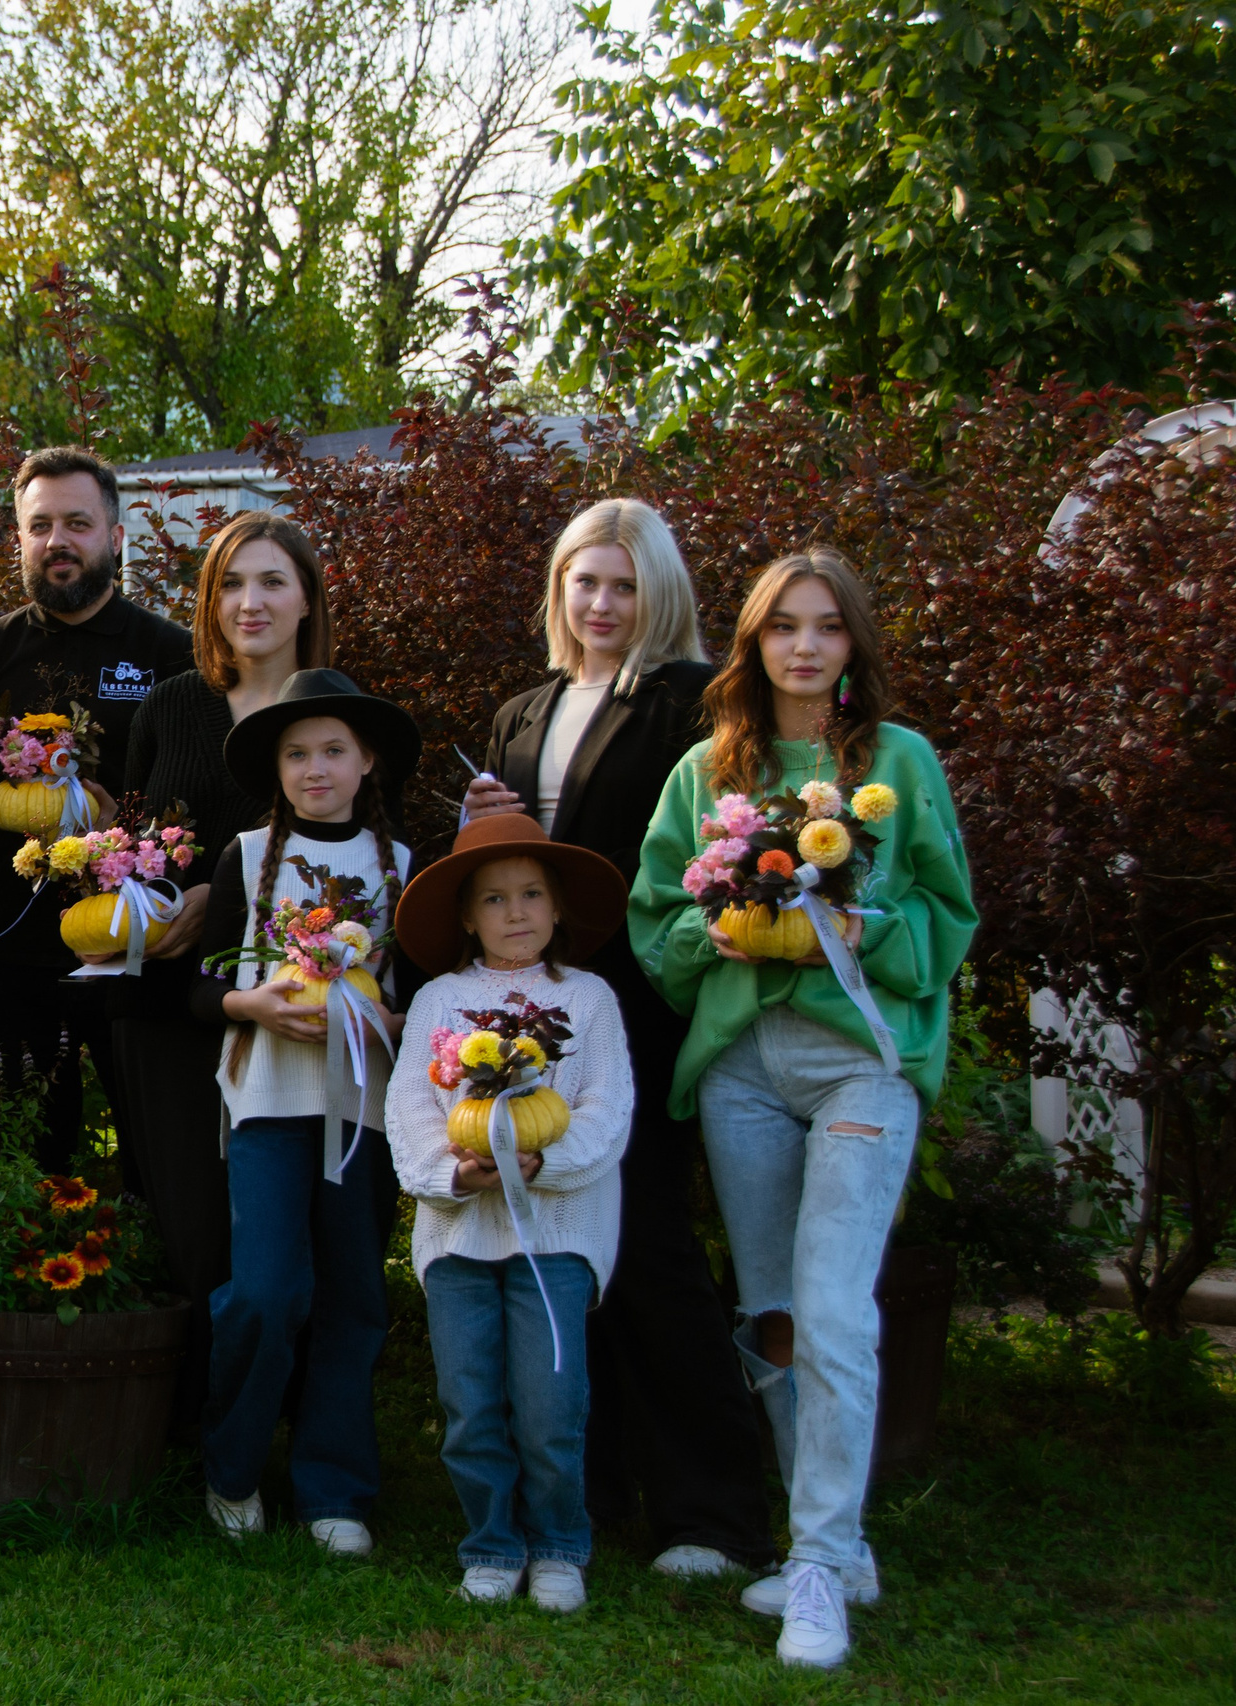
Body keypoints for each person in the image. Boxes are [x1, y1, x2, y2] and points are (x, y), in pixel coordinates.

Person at [630, 547, 977, 1669]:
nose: (805, 646)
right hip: (740, 1068)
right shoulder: (703, 772)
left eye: (827, 626)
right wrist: (712, 932)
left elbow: (947, 914)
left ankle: (820, 1563)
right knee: (772, 1312)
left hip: (858, 1065)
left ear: (852, 646)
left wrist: (863, 928)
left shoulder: (898, 764)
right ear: (753, 643)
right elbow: (656, 920)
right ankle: (823, 1537)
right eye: (784, 626)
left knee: (833, 1307)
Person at [460, 498, 773, 1579]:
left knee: (647, 1251)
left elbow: (705, 852)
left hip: (636, 1007)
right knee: (555, 1258)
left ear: (660, 594)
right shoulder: (519, 710)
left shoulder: (693, 705)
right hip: (530, 1019)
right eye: (582, 581)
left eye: (622, 584)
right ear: (558, 590)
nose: (599, 603)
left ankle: (712, 1510)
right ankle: (582, 1494)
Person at [189, 669, 419, 1558]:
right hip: (268, 1103)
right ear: (276, 768)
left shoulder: (402, 867)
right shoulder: (247, 858)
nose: (315, 768)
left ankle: (336, 1489)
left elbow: (419, 999)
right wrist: (254, 1007)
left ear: (367, 761)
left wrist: (376, 1018)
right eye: (296, 754)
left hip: (360, 1110)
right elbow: (201, 984)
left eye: (332, 751)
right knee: (267, 1290)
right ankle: (234, 1465)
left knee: (355, 1296)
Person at [114, 511, 334, 1435]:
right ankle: (181, 1424)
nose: (251, 601)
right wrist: (153, 902)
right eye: (233, 583)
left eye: (273, 581)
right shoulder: (171, 706)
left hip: (286, 1005)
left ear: (307, 600)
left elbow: (354, 858)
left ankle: (277, 1421)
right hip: (169, 999)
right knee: (188, 1219)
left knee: (274, 1230)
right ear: (209, 601)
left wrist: (227, 893)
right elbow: (129, 847)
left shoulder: (334, 711)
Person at [384, 813, 636, 1614]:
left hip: (555, 1238)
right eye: (494, 899)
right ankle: (491, 1543)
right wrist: (450, 1174)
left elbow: (605, 1108)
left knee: (551, 1404)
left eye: (532, 894)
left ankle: (559, 1541)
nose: (516, 912)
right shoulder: (439, 1000)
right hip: (460, 1237)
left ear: (558, 907)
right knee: (470, 1402)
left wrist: (542, 1164)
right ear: (467, 915)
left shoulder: (588, 1000)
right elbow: (410, 1110)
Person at [0, 446, 193, 1169]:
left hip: (134, 941)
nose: (58, 541)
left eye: (77, 523)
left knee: (156, 1149)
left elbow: (190, 807)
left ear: (115, 535)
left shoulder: (169, 654)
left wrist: (123, 823)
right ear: (19, 538)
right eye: (40, 525)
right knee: (23, 1152)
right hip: (6, 945)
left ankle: (165, 1277)